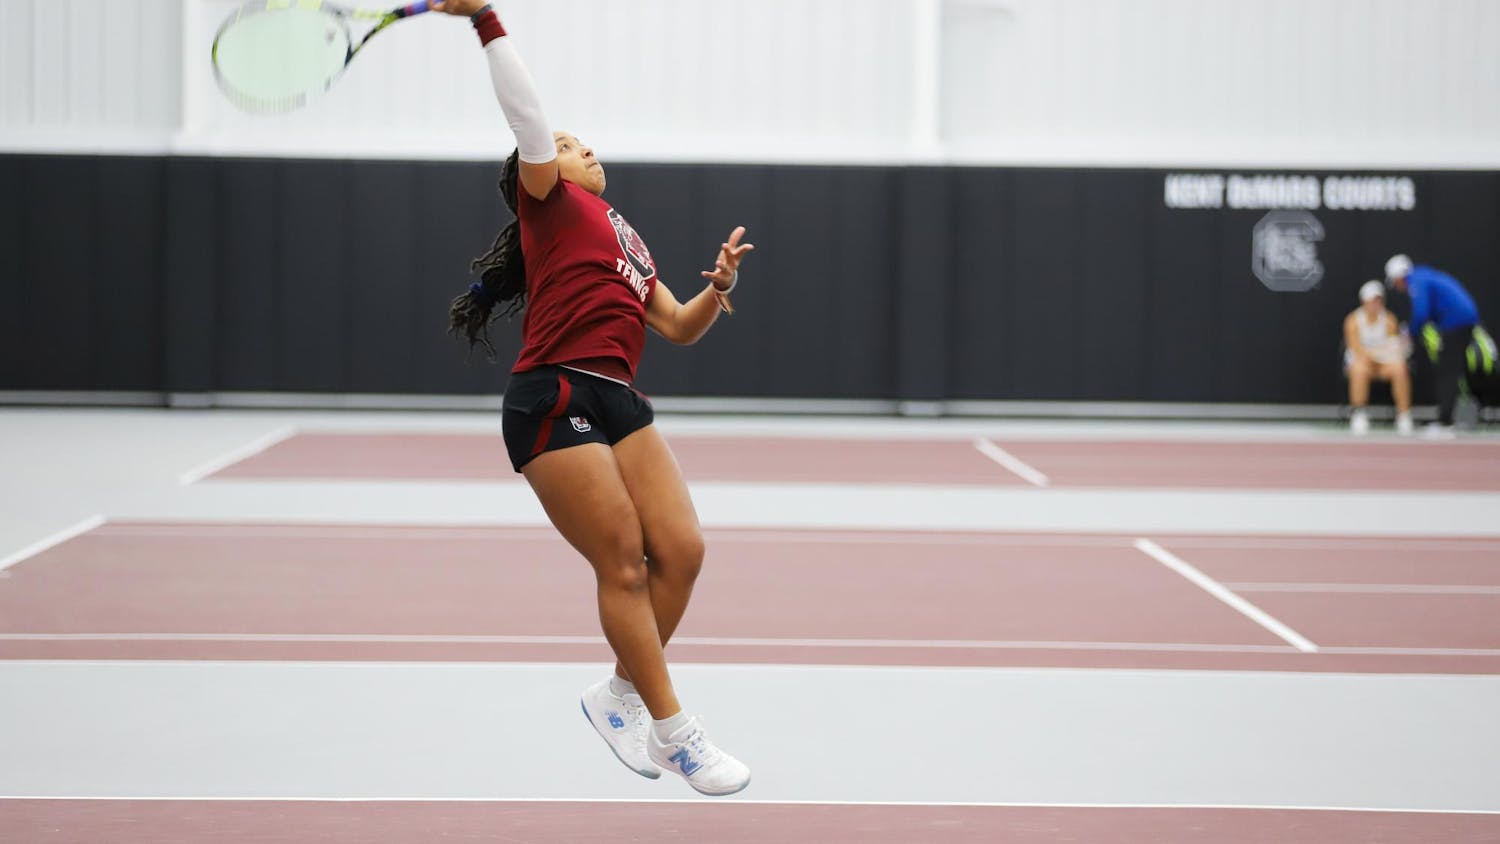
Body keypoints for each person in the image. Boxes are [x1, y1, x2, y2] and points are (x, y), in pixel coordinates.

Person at [434, 1, 754, 796]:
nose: (581, 147)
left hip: (618, 396)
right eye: (567, 146)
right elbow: (529, 118)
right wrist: (485, 20)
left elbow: (676, 326)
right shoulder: (547, 202)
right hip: (552, 393)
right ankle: (676, 733)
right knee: (623, 561)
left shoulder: (621, 232)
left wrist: (717, 288)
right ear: (539, 170)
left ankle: (615, 696)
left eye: (579, 142)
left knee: (682, 551)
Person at [1385, 255, 1482, 437]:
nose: (1397, 287)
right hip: (1459, 322)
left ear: (1399, 276)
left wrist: (1409, 334)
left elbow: (1421, 312)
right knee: (1449, 368)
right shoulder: (1424, 276)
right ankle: (1447, 417)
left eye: (1395, 282)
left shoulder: (1417, 280)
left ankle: (1445, 421)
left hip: (1457, 323)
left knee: (1448, 370)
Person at [1344, 280, 1413, 436]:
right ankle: (1359, 414)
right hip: (1363, 362)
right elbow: (1356, 348)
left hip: (1384, 364)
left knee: (1399, 369)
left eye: (1378, 300)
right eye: (1372, 301)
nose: (1376, 304)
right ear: (1364, 302)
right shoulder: (1353, 320)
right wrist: (1374, 354)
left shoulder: (1389, 320)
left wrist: (1394, 350)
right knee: (1359, 370)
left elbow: (1392, 346)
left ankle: (1404, 415)